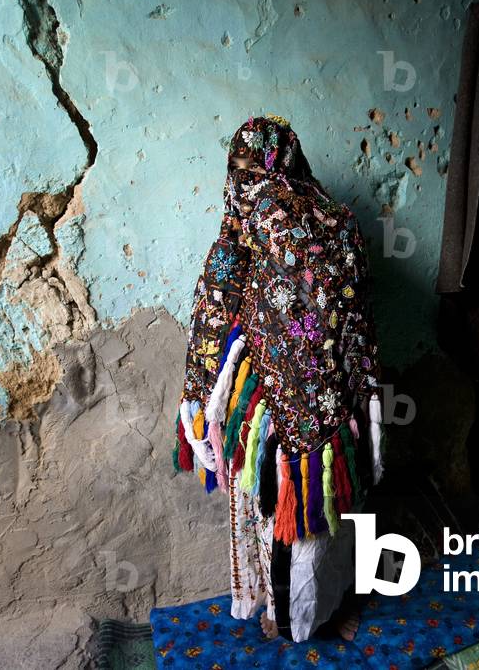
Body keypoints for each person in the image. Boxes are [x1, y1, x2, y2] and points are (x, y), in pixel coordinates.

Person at [174, 115, 385, 642]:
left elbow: (214, 311)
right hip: (340, 405)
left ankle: (287, 617)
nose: (243, 181)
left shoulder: (247, 219)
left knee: (280, 513)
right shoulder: (340, 219)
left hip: (279, 406)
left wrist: (197, 395)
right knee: (329, 511)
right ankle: (326, 606)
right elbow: (358, 315)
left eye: (242, 168)